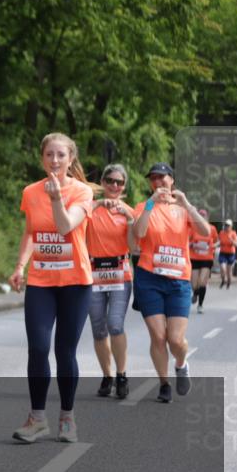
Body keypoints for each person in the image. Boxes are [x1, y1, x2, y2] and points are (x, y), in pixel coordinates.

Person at [8, 133, 93, 443]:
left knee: (65, 351)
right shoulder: (30, 192)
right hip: (41, 281)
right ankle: (37, 419)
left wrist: (57, 198)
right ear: (41, 158)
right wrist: (20, 266)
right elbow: (31, 231)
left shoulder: (82, 192)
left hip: (75, 283)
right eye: (49, 155)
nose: (55, 161)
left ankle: (67, 417)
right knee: (39, 348)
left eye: (61, 155)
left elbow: (64, 226)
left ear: (70, 159)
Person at [132, 163, 210, 403]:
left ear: (172, 180)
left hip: (178, 281)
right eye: (153, 179)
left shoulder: (183, 208)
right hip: (149, 278)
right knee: (158, 336)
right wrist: (150, 204)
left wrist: (186, 204)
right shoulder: (143, 206)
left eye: (162, 178)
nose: (157, 182)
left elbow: (205, 231)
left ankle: (181, 363)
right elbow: (139, 234)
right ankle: (164, 384)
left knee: (175, 340)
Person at [85, 164, 136, 400]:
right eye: (110, 181)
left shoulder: (129, 211)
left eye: (119, 182)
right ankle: (107, 376)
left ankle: (122, 374)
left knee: (115, 324)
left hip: (119, 274)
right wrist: (96, 204)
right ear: (103, 183)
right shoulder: (91, 207)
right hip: (94, 272)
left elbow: (134, 247)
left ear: (124, 186)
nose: (115, 186)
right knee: (98, 329)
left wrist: (129, 220)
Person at [188, 209, 218, 313]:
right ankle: (195, 293)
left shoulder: (212, 228)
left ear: (207, 217)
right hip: (194, 258)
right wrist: (191, 244)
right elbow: (187, 241)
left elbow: (217, 242)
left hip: (207, 258)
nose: (202, 216)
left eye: (203, 215)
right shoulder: (193, 228)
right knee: (194, 284)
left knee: (202, 282)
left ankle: (200, 305)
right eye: (200, 215)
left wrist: (211, 246)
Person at [218, 219, 237, 289]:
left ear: (231, 226)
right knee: (222, 268)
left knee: (229, 271)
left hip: (231, 254)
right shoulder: (221, 233)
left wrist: (232, 240)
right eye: (225, 225)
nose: (226, 226)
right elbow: (219, 241)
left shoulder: (233, 233)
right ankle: (223, 280)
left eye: (228, 225)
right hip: (223, 253)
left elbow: (236, 244)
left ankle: (229, 282)